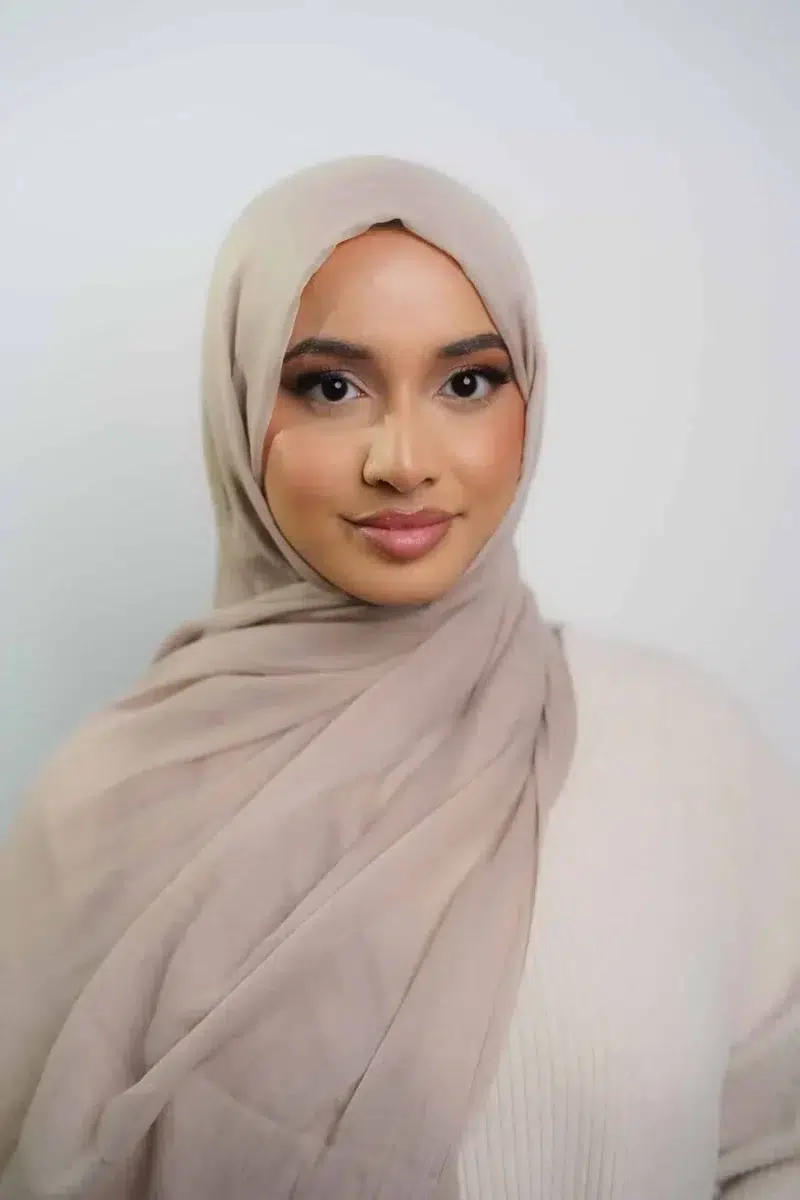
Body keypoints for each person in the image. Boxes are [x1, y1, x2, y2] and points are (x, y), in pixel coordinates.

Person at [0, 156, 797, 1200]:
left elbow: (775, 1146)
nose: (403, 459)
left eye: (466, 382)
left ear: (527, 392)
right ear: (239, 401)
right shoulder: (106, 801)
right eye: (330, 387)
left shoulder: (685, 750)